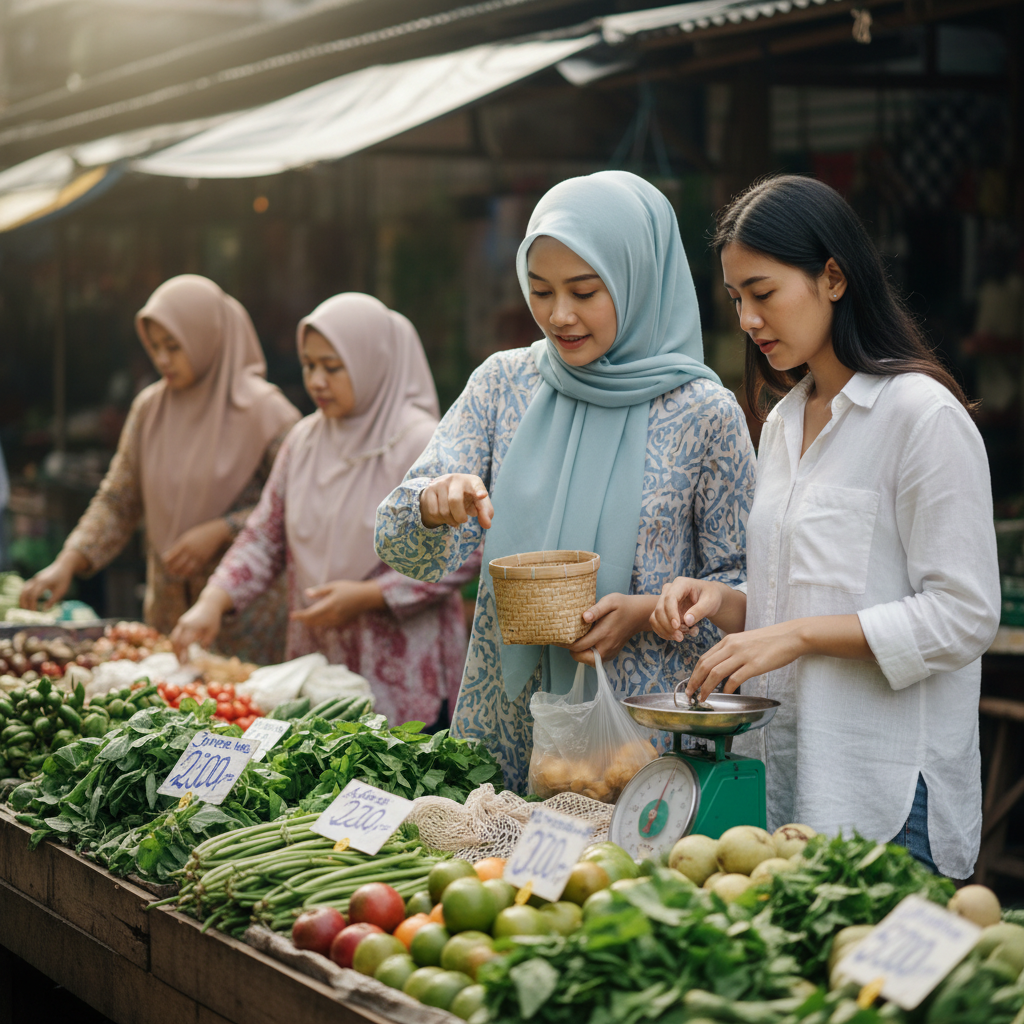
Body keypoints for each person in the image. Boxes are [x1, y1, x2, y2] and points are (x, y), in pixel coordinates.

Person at [651, 175, 999, 880]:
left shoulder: (921, 417)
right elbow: (799, 600)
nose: (748, 319)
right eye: (736, 300)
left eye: (763, 292)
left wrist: (796, 634)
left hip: (892, 798)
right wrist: (725, 603)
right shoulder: (782, 423)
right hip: (792, 788)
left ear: (833, 278)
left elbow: (965, 615)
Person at [375, 171, 756, 792]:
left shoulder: (703, 415)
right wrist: (432, 504)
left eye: (584, 291)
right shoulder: (503, 384)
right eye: (540, 289)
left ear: (638, 280)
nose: (559, 315)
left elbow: (747, 592)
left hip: (638, 731)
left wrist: (644, 612)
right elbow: (399, 547)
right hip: (505, 720)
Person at [171, 293, 477, 727]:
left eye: (333, 367)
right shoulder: (304, 441)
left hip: (403, 674)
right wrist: (212, 602)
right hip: (315, 669)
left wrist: (372, 596)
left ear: (373, 361)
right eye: (309, 364)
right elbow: (264, 535)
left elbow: (467, 550)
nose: (316, 380)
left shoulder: (423, 442)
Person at [21, 275, 300, 664]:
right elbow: (118, 501)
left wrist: (222, 530)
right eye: (154, 347)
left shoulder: (268, 413)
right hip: (169, 617)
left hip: (247, 626)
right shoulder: (149, 409)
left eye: (174, 346)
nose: (163, 360)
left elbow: (300, 506)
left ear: (209, 337)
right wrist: (68, 562)